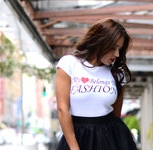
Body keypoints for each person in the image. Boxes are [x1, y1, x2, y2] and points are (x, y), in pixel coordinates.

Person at [55, 18, 137, 150]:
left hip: (111, 137)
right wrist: (74, 147)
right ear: (99, 42)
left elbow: (116, 115)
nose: (116, 54)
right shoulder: (69, 64)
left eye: (119, 49)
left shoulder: (117, 73)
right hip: (76, 136)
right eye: (113, 48)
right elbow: (62, 109)